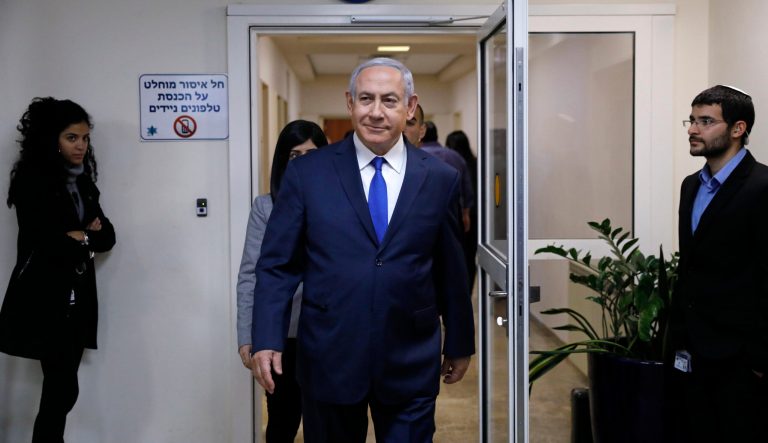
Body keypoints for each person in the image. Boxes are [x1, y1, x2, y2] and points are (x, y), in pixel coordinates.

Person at [250, 57, 475, 443]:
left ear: (410, 106)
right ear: (350, 103)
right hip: (329, 356)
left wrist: (459, 340)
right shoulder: (309, 174)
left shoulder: (440, 178)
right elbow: (277, 265)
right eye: (365, 99)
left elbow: (451, 268)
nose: (376, 111)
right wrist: (267, 337)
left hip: (410, 355)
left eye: (389, 100)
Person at [0, 97, 116, 443]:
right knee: (61, 388)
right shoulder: (32, 180)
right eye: (71, 137)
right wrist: (82, 236)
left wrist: (81, 235)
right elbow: (46, 241)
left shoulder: (81, 181)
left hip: (77, 297)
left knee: (62, 388)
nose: (81, 145)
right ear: (52, 139)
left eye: (84, 138)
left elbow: (107, 236)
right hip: (44, 296)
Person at [665, 85, 768, 442]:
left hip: (739, 361)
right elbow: (691, 267)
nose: (693, 130)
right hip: (690, 352)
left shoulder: (762, 186)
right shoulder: (691, 186)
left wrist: (758, 360)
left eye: (706, 121)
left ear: (738, 129)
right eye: (691, 121)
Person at [236, 119, 327, 443]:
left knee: (327, 424)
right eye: (294, 155)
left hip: (328, 333)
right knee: (282, 422)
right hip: (282, 335)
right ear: (282, 160)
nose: (303, 163)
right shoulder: (266, 206)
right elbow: (251, 273)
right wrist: (249, 334)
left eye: (311, 154)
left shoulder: (338, 205)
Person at [445, 130, 478, 286]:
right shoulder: (477, 164)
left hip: (459, 216)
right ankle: (468, 290)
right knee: (470, 257)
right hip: (477, 217)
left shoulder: (448, 164)